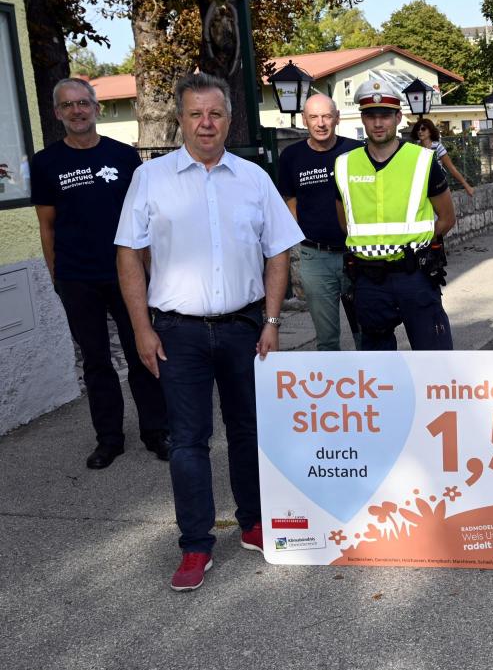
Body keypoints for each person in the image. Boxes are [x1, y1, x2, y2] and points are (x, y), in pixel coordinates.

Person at [115, 73, 304, 591]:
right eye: (195, 114)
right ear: (180, 119)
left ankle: (253, 522)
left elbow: (278, 251)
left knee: (249, 430)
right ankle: (196, 545)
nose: (206, 124)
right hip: (178, 333)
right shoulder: (150, 181)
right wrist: (141, 330)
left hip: (245, 327)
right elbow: (128, 255)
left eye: (215, 114)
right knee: (188, 442)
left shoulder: (252, 178)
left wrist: (270, 321)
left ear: (227, 119)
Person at [31, 78, 168, 470]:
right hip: (77, 277)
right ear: (58, 113)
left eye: (83, 103)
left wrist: (149, 272)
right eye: (68, 105)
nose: (77, 111)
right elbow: (47, 226)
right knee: (95, 362)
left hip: (125, 275)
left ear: (95, 108)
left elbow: (143, 221)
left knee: (143, 352)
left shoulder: (124, 157)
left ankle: (156, 431)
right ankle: (109, 438)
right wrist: (57, 277)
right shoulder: (46, 163)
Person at [334, 80, 455, 350]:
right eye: (371, 116)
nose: (378, 123)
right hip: (368, 281)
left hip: (415, 275)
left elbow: (447, 218)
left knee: (435, 358)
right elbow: (346, 223)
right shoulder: (343, 165)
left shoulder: (423, 160)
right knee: (378, 370)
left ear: (398, 118)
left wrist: (416, 241)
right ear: (362, 118)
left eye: (386, 116)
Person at [277, 93, 362, 351]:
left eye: (326, 116)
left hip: (358, 254)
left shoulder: (356, 152)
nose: (321, 122)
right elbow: (289, 200)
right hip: (316, 257)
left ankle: (374, 386)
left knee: (368, 332)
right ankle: (334, 390)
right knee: (326, 339)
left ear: (337, 118)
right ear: (304, 120)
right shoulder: (291, 157)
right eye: (314, 117)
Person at [410, 118, 475, 198]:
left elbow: (451, 168)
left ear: (430, 131)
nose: (420, 131)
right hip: (421, 187)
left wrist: (466, 186)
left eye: (423, 129)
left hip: (437, 185)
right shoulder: (415, 148)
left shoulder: (437, 147)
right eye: (418, 129)